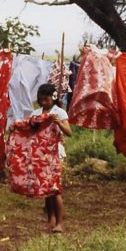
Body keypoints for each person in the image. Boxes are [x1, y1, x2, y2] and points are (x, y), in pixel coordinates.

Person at [32, 82, 71, 233]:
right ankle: (51, 219)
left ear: (53, 98)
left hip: (55, 153)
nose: (44, 102)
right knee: (46, 189)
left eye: (46, 100)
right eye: (41, 100)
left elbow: (69, 132)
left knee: (55, 189)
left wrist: (58, 123)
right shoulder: (36, 113)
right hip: (41, 154)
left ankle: (60, 222)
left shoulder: (59, 112)